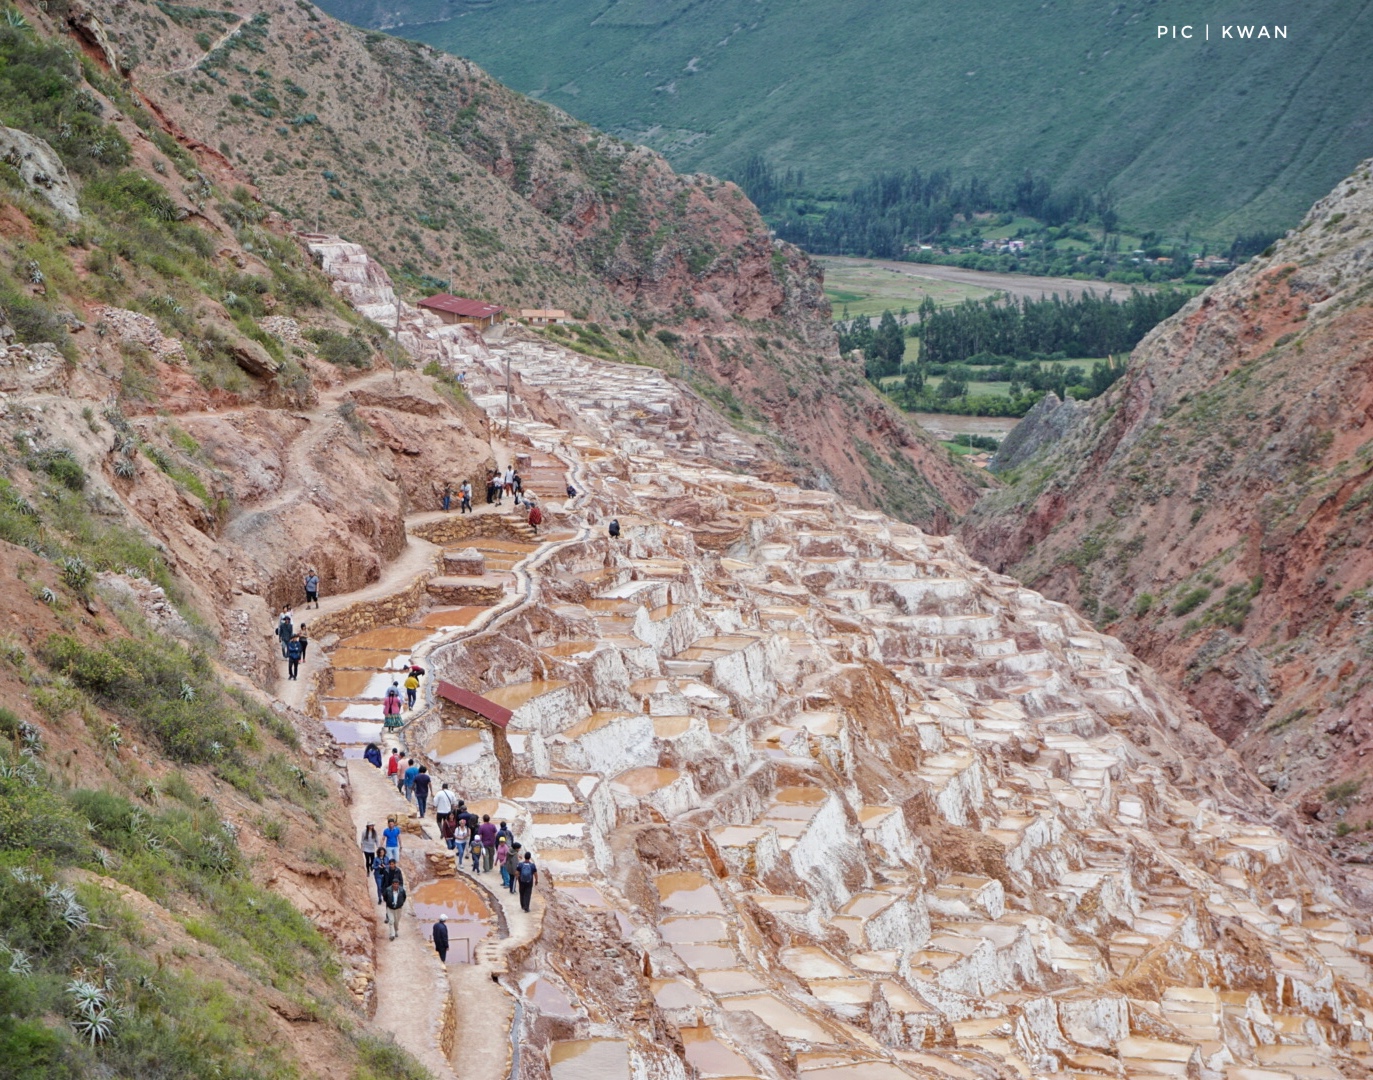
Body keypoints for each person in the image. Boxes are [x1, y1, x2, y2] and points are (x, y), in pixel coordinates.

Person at [383, 876, 407, 941]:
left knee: (396, 921)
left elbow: (404, 898)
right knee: (391, 921)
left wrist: (400, 904)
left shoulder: (402, 890)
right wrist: (389, 903)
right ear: (392, 884)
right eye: (394, 884)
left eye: (397, 884)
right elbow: (385, 897)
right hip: (390, 908)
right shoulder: (388, 890)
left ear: (398, 884)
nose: (396, 885)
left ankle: (396, 930)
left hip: (398, 909)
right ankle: (392, 935)